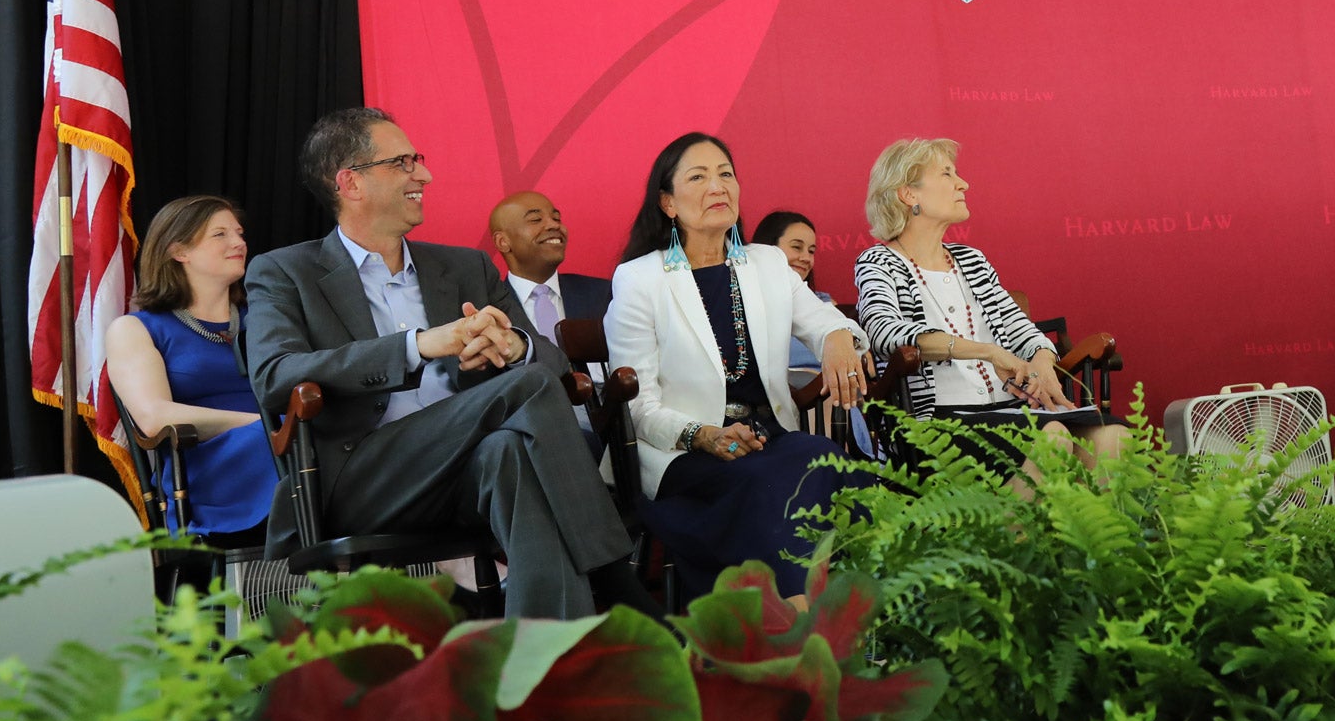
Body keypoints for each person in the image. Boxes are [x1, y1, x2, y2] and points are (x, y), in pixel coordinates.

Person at [244, 107, 654, 620]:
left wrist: (514, 347)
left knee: (510, 451)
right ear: (350, 183)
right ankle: (617, 579)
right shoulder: (285, 271)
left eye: (417, 159)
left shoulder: (465, 266)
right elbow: (275, 375)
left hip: (466, 468)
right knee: (525, 389)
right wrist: (418, 345)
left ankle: (542, 648)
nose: (424, 174)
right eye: (402, 163)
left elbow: (551, 363)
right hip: (363, 480)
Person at [604, 133, 870, 597]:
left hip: (771, 437)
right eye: (698, 177)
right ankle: (798, 614)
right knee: (781, 478)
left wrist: (837, 339)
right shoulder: (640, 278)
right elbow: (638, 407)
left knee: (820, 459)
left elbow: (824, 320)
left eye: (725, 173)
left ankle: (838, 610)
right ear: (668, 203)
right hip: (684, 452)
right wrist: (704, 435)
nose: (717, 186)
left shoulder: (767, 263)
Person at [852, 137, 1123, 463]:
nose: (963, 184)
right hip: (937, 420)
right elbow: (884, 333)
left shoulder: (972, 260)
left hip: (1010, 409)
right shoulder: (879, 262)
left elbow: (1021, 330)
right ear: (909, 194)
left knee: (1113, 435)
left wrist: (1041, 359)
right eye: (947, 174)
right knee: (1052, 437)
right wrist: (989, 352)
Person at [103, 194, 280, 547]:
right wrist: (267, 425)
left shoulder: (268, 319)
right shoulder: (135, 329)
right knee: (293, 443)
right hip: (205, 469)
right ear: (179, 250)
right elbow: (154, 418)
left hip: (282, 446)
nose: (239, 243)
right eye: (220, 234)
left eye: (240, 233)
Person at [488, 189, 610, 354]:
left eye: (556, 218)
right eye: (535, 220)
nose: (554, 225)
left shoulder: (605, 294)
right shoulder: (490, 310)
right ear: (503, 242)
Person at [753, 209, 828, 376]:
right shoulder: (743, 302)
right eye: (797, 247)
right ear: (768, 249)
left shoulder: (823, 305)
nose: (806, 258)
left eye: (811, 251)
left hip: (826, 389)